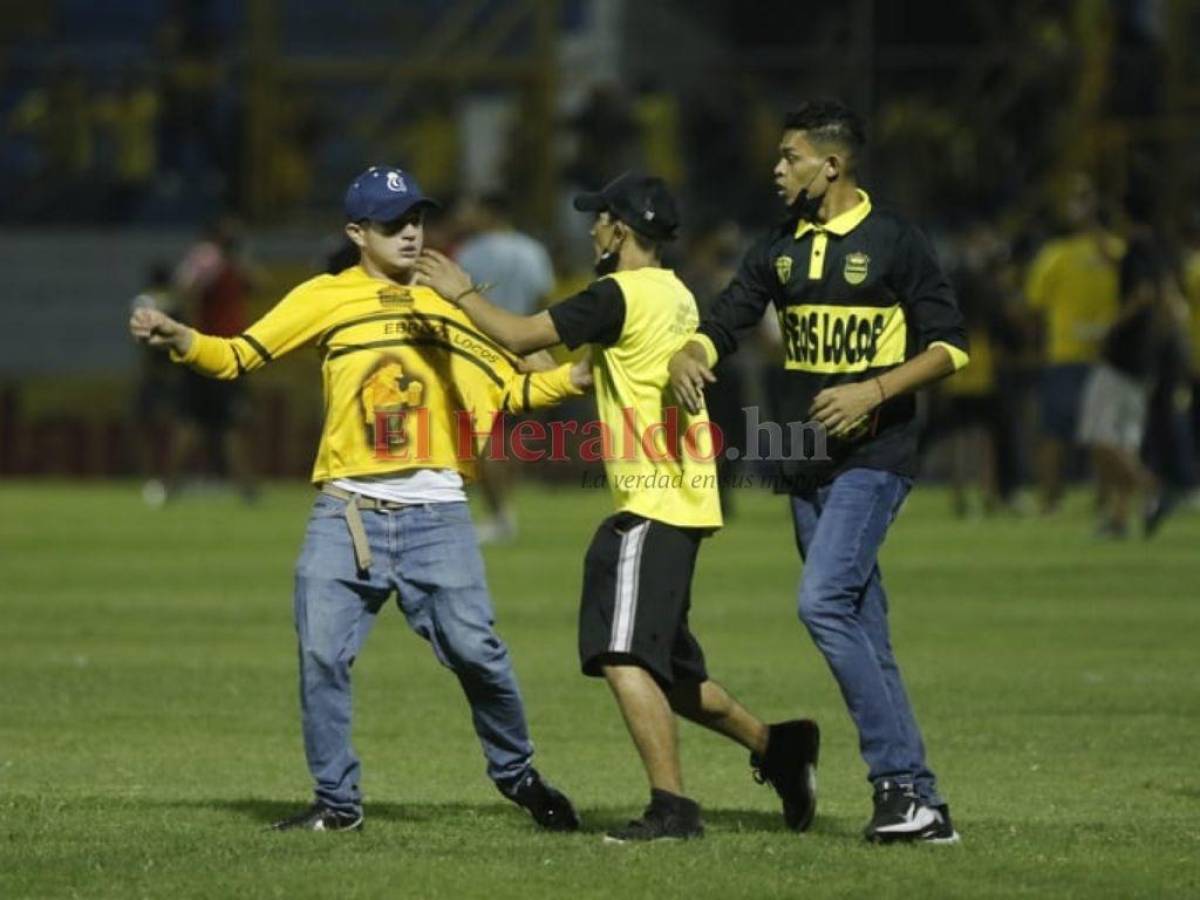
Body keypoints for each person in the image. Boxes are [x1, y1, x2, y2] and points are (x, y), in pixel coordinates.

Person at [130, 166, 587, 834]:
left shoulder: (451, 301)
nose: (410, 234)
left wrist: (577, 375)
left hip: (438, 512)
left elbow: (513, 392)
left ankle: (517, 774)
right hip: (347, 513)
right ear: (356, 232)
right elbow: (236, 357)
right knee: (321, 652)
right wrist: (183, 340)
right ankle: (337, 804)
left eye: (417, 221)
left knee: (479, 655)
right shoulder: (323, 297)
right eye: (392, 223)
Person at [416, 172, 819, 844]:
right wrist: (530, 357)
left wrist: (460, 294)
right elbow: (568, 364)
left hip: (652, 502)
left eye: (598, 218)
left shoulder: (618, 294)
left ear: (621, 230)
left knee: (621, 653)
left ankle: (673, 810)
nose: (591, 228)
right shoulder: (672, 295)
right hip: (683, 499)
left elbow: (519, 336)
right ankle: (778, 746)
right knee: (674, 673)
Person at [667, 100, 969, 844]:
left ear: (829, 165)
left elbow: (951, 346)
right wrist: (692, 352)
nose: (777, 170)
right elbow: (730, 316)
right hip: (805, 462)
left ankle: (897, 784)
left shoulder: (895, 241)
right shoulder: (780, 247)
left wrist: (875, 389)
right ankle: (921, 804)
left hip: (875, 458)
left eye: (789, 157)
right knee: (864, 626)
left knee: (823, 603)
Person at [454, 191, 556, 542]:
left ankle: (499, 516)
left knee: (486, 436)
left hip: (483, 349)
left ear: (487, 213)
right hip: (526, 347)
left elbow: (461, 303)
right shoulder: (533, 251)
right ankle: (506, 509)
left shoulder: (471, 253)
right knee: (511, 436)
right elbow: (545, 300)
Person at [1024, 175, 1125, 513]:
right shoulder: (1055, 255)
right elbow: (1035, 308)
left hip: (1106, 358)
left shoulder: (1115, 251)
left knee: (1102, 435)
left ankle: (1103, 498)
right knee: (1056, 432)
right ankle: (1050, 498)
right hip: (1065, 355)